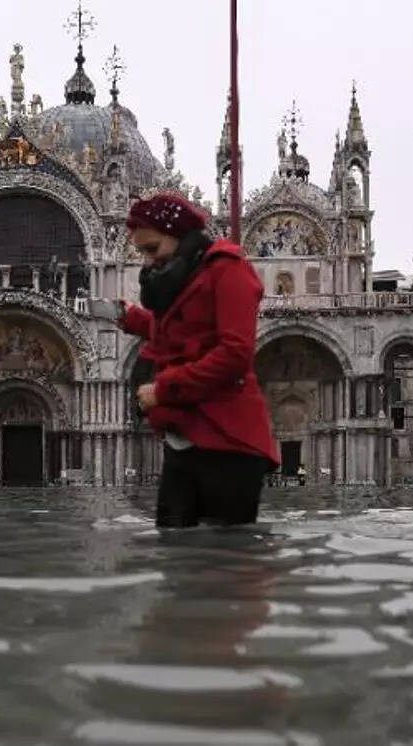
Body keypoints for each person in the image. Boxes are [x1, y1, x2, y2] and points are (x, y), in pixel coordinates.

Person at [99, 192, 279, 527]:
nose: (148, 261)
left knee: (224, 558)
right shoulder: (185, 276)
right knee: (175, 552)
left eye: (152, 249)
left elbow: (234, 353)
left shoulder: (228, 268)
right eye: (141, 253)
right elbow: (188, 334)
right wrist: (131, 318)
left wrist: (163, 390)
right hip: (184, 436)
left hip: (228, 441)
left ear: (179, 235)